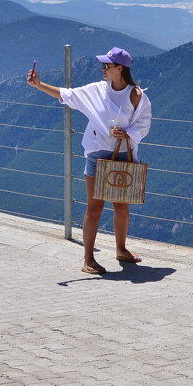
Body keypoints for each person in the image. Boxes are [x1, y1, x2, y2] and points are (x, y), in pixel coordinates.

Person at [27, 47, 152, 275]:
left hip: (124, 154)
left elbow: (144, 123)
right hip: (97, 153)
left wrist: (128, 133)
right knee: (94, 208)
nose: (103, 69)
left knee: (121, 207)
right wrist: (39, 84)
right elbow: (67, 94)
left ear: (120, 68)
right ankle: (88, 259)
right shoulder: (96, 90)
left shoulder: (136, 95)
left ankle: (121, 250)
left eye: (107, 66)